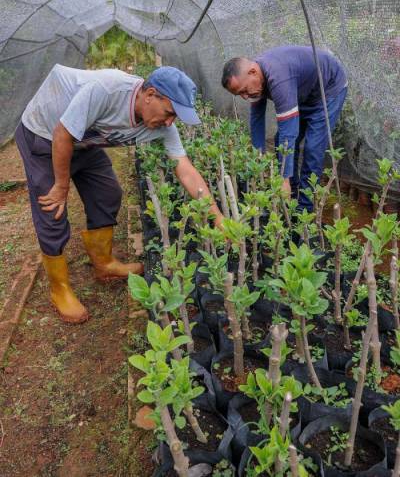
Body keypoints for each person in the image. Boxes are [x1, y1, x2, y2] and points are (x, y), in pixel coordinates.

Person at [16, 64, 223, 324]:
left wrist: (218, 217)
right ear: (149, 94)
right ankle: (60, 290)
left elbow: (185, 170)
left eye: (176, 118)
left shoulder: (162, 126)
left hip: (86, 140)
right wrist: (61, 186)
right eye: (169, 113)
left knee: (107, 193)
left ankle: (104, 264)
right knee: (52, 209)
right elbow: (62, 134)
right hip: (45, 136)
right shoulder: (106, 89)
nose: (170, 123)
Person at [221, 45, 347, 212]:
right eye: (240, 95)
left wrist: (283, 178)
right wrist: (258, 157)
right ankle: (292, 196)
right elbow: (257, 120)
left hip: (329, 89)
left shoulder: (278, 77)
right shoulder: (256, 81)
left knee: (313, 148)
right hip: (305, 93)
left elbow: (289, 132)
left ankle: (305, 210)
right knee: (281, 141)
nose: (245, 96)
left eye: (244, 90)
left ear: (252, 72)